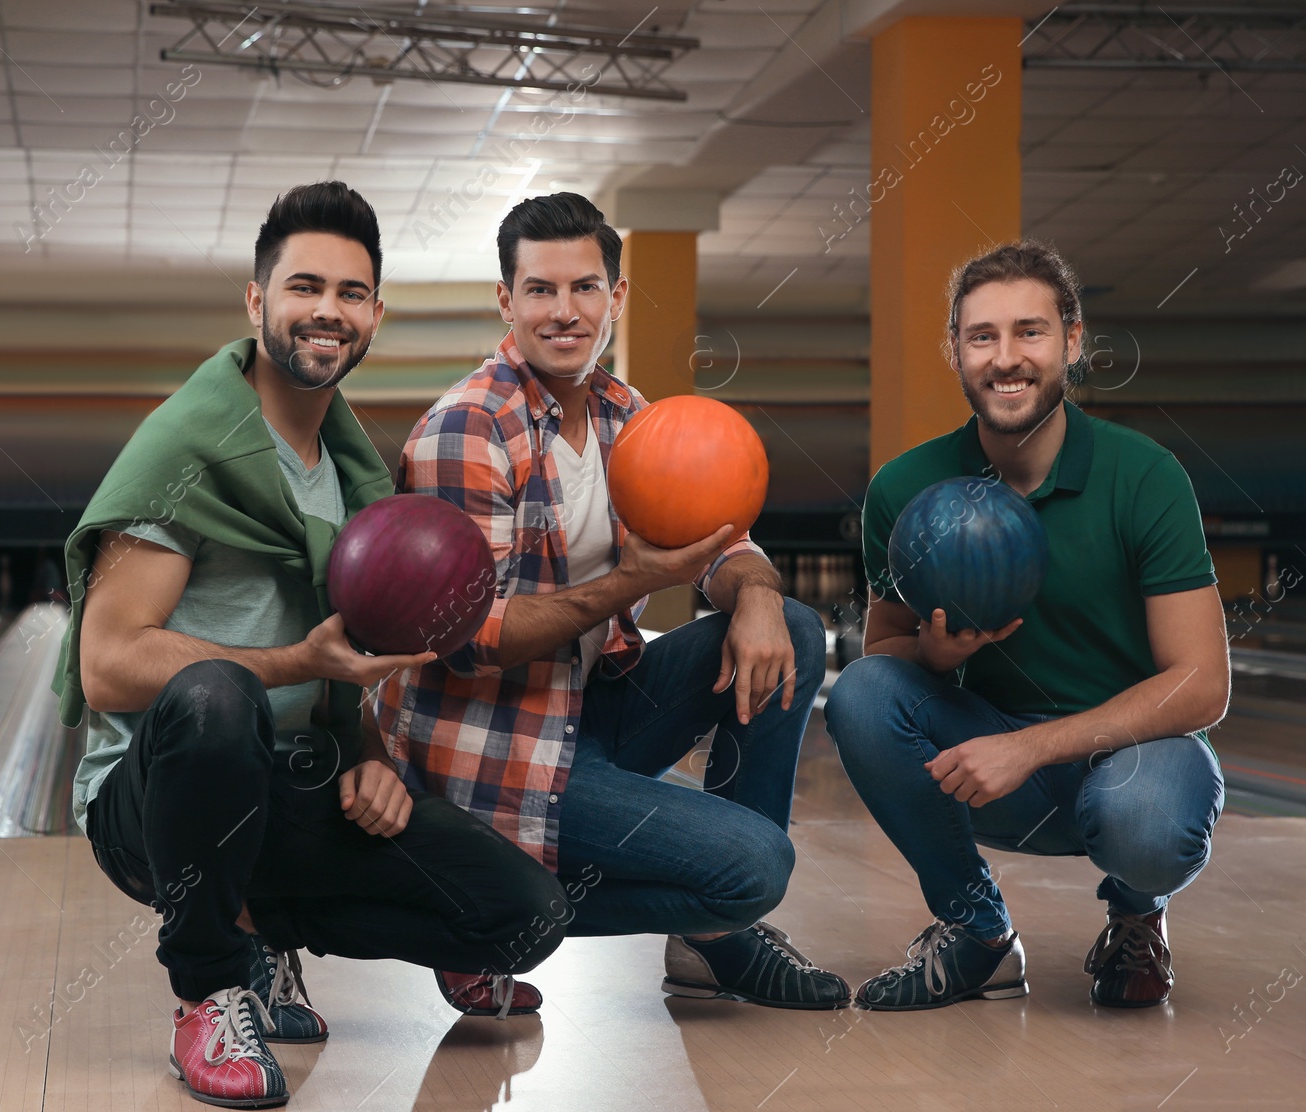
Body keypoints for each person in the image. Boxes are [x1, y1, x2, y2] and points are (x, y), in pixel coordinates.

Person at [55, 182, 568, 1109]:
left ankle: (258, 932)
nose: (327, 310)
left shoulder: (349, 470)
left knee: (524, 917)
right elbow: (109, 665)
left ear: (374, 314)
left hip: (291, 784)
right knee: (219, 695)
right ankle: (209, 989)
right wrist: (295, 668)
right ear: (256, 303)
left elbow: (344, 663)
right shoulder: (185, 448)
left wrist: (369, 755)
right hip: (158, 802)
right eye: (303, 287)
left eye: (351, 292)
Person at [376, 192, 849, 1011]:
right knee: (755, 867)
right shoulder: (468, 429)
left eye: (585, 288)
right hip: (496, 749)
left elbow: (726, 547)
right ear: (506, 301)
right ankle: (472, 914)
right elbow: (470, 639)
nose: (565, 312)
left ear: (616, 298)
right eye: (541, 290)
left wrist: (762, 593)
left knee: (799, 630)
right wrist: (631, 582)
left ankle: (718, 947)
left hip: (593, 714)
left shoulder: (630, 417)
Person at [824, 240, 1228, 1011]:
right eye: (983, 337)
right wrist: (936, 655)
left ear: (1072, 341)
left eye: (1030, 332)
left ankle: (1137, 915)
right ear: (955, 351)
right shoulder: (907, 488)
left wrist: (1030, 745)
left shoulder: (1144, 476)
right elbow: (884, 657)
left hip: (1136, 758)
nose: (1006, 358)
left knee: (1144, 820)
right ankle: (977, 933)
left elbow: (1202, 685)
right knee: (862, 693)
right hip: (993, 753)